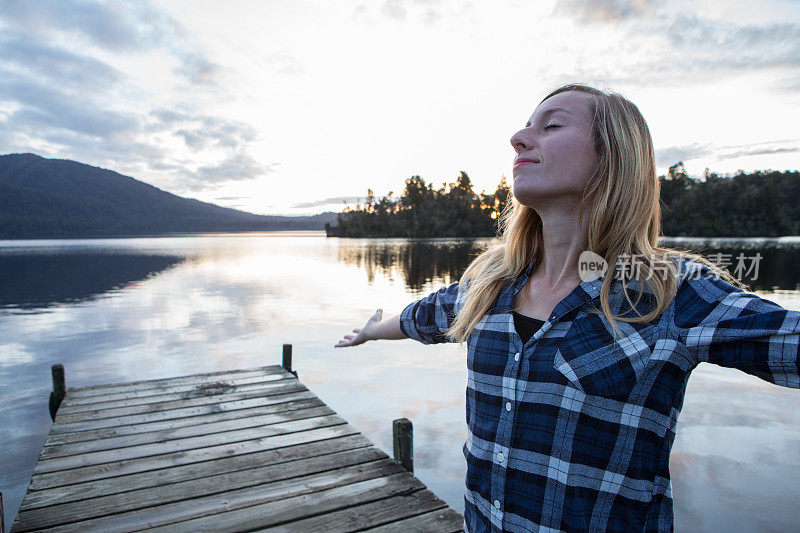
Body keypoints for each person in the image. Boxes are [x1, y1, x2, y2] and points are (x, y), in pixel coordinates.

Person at [334, 83, 800, 532]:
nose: (518, 139)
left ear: (612, 158)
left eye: (551, 126)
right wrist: (371, 331)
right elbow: (426, 317)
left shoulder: (671, 294)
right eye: (524, 127)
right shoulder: (489, 284)